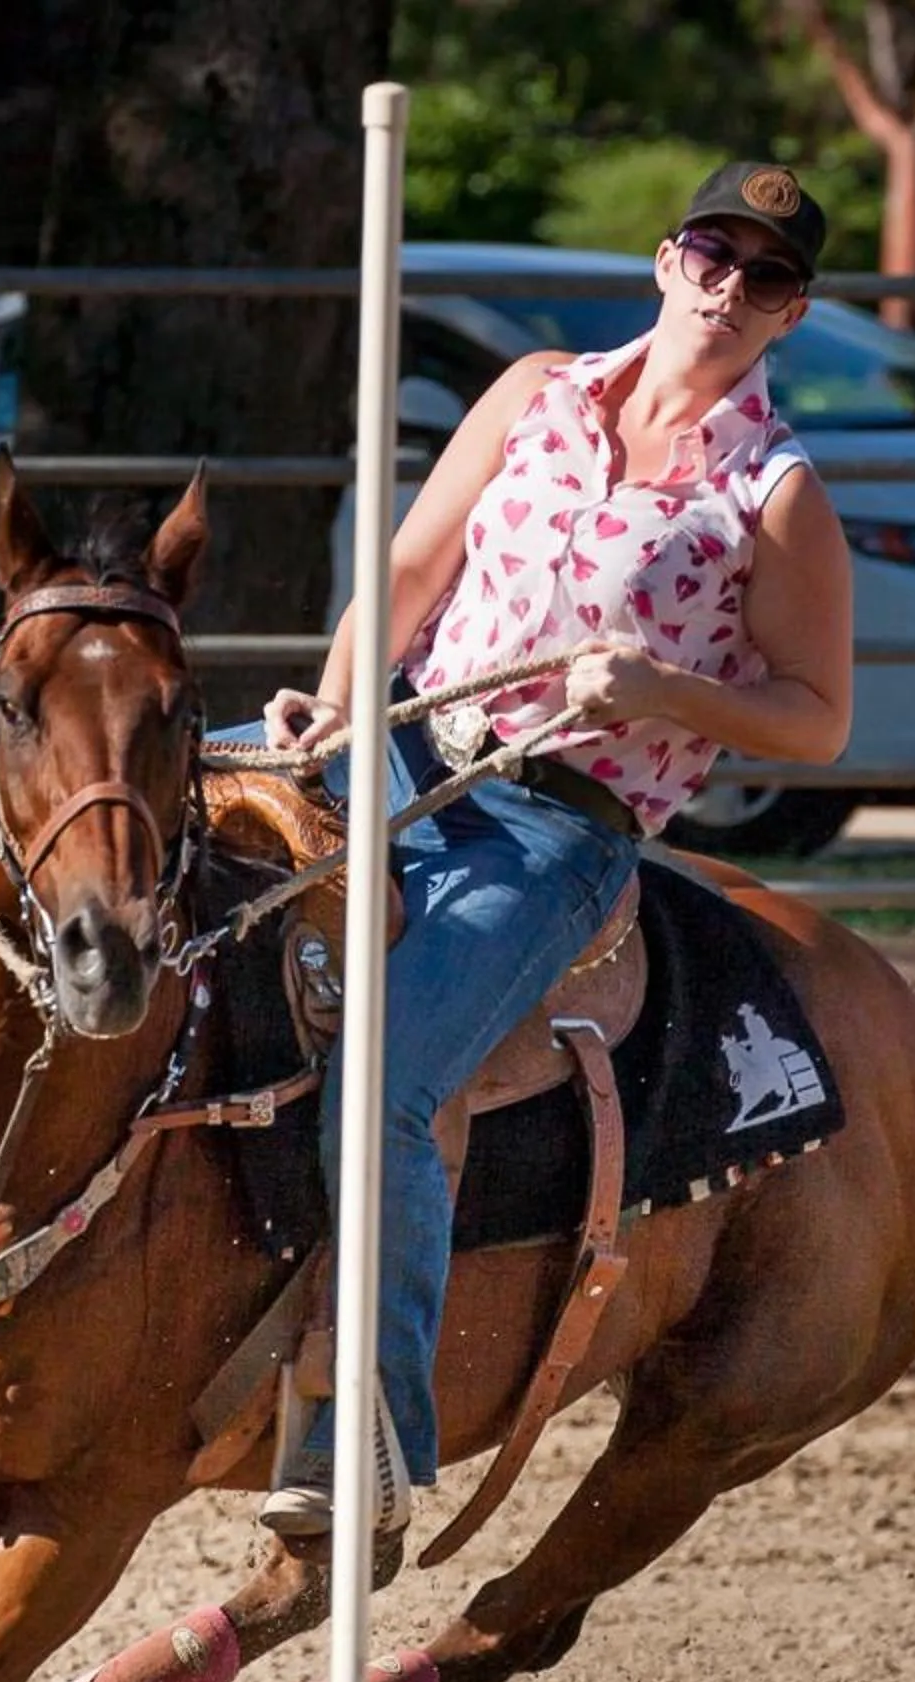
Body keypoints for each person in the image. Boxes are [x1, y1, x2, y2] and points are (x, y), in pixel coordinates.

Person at [253, 157, 856, 1540]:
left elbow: (817, 721)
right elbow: (406, 577)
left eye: (764, 278)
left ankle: (379, 1437)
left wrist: (662, 692)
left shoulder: (774, 494)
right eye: (713, 255)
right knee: (144, 809)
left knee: (393, 1081)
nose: (728, 287)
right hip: (404, 739)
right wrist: (335, 705)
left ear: (791, 316)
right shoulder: (537, 394)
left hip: (557, 822)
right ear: (665, 259)